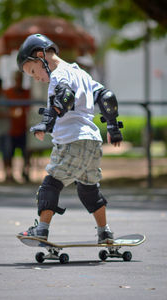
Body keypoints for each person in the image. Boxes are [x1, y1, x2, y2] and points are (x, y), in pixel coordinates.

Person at [16, 34, 123, 243]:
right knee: (89, 189)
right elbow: (106, 97)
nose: (35, 77)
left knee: (51, 184)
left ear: (40, 56)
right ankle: (105, 232)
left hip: (71, 140)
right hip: (92, 141)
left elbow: (65, 96)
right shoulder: (79, 72)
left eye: (32, 71)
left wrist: (46, 124)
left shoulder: (59, 74)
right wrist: (112, 127)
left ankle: (41, 230)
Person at [4, 71, 30, 182]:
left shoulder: (27, 93)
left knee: (26, 152)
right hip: (11, 128)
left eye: (20, 79)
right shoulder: (8, 92)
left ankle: (25, 172)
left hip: (23, 128)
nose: (19, 81)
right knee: (10, 152)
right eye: (17, 78)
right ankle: (9, 173)